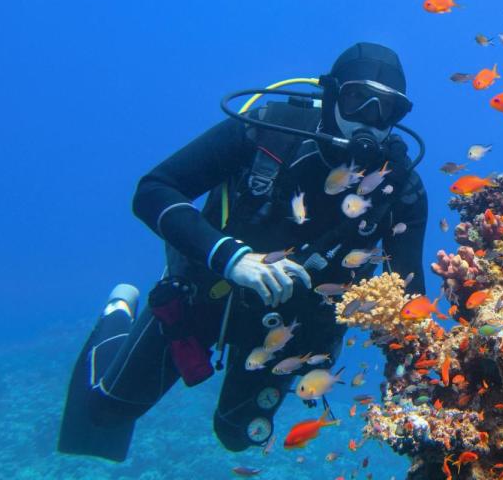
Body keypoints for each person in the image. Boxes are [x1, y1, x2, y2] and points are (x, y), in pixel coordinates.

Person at [58, 43, 428, 461]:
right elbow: (154, 190)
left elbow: (408, 291)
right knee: (106, 413)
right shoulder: (267, 130)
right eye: (357, 99)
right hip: (206, 293)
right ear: (331, 94)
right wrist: (230, 258)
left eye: (387, 109)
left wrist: (414, 380)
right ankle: (117, 312)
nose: (370, 120)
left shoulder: (399, 188)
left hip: (290, 327)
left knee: (236, 436)